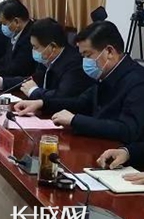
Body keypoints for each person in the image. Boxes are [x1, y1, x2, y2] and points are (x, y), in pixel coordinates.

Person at [14, 21, 144, 143]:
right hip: (97, 144)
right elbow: (80, 103)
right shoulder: (105, 74)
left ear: (109, 51)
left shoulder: (137, 81)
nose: (85, 62)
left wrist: (75, 120)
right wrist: (42, 104)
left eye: (88, 55)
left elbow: (128, 130)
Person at [0, 18, 93, 102]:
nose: (33, 51)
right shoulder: (47, 59)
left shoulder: (74, 64)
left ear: (52, 47)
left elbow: (62, 96)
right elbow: (33, 80)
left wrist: (35, 92)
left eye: (35, 47)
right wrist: (1, 82)